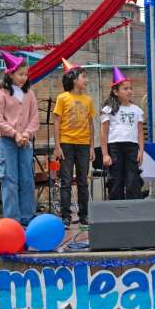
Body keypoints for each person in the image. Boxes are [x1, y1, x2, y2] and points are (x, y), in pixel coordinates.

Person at [0, 52, 40, 227]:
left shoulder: (29, 94)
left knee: (27, 178)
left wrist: (26, 134)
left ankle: (27, 216)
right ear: (10, 74)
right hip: (8, 142)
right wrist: (14, 133)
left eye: (26, 74)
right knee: (10, 179)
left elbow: (35, 118)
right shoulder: (1, 94)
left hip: (25, 142)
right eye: (20, 74)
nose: (23, 77)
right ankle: (13, 219)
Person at [53, 58, 95, 228]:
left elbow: (91, 124)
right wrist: (57, 146)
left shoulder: (89, 100)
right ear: (74, 79)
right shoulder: (62, 98)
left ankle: (84, 215)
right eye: (84, 77)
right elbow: (56, 121)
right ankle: (65, 216)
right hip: (66, 144)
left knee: (83, 181)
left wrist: (92, 146)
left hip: (84, 145)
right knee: (66, 181)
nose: (86, 80)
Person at [100, 66, 144, 200]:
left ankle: (133, 210)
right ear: (116, 91)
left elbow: (140, 132)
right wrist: (105, 154)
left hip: (132, 147)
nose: (129, 91)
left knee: (132, 180)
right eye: (125, 89)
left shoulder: (137, 110)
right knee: (115, 180)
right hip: (115, 147)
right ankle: (115, 211)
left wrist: (141, 151)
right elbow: (104, 132)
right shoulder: (108, 109)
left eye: (130, 88)